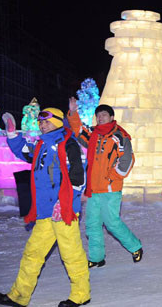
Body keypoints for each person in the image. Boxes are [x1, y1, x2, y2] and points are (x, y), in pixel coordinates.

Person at [0, 109, 90, 307]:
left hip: (63, 211)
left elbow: (78, 176)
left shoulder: (69, 143)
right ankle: (19, 296)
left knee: (71, 254)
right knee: (33, 253)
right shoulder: (42, 145)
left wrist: (63, 203)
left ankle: (81, 294)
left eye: (46, 121)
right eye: (40, 122)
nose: (42, 125)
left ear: (57, 122)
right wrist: (12, 133)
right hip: (45, 210)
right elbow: (24, 152)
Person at [67, 98, 143, 267]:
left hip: (110, 189)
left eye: (104, 115)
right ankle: (96, 258)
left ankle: (135, 246)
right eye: (98, 115)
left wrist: (112, 176)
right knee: (92, 224)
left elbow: (127, 159)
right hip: (93, 189)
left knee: (112, 223)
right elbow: (79, 130)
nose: (100, 118)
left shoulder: (120, 136)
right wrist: (73, 113)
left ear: (111, 117)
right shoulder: (94, 134)